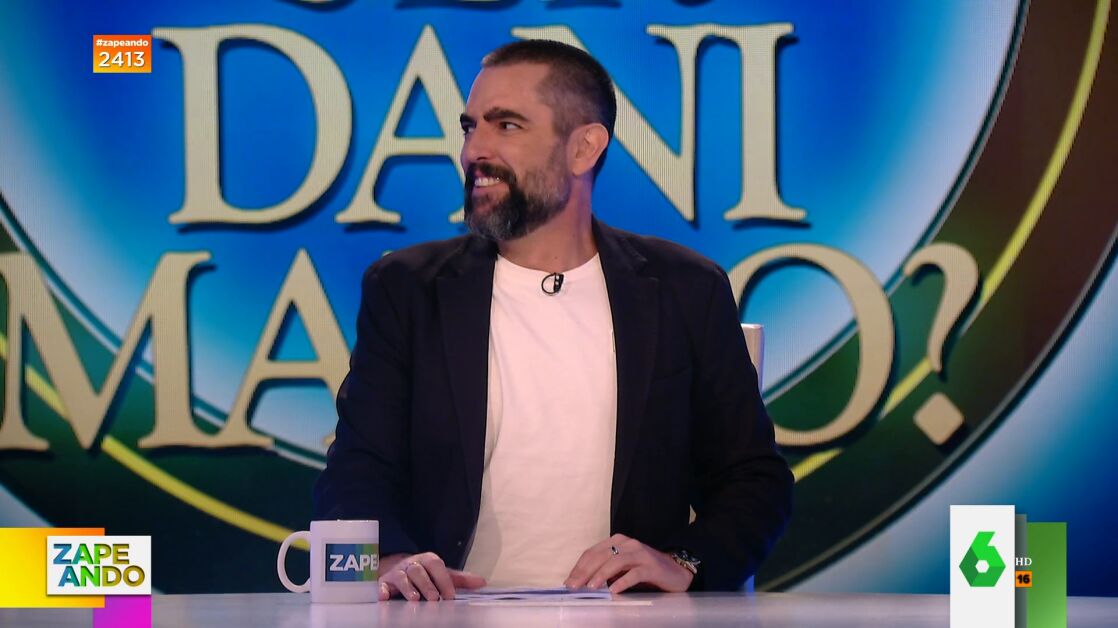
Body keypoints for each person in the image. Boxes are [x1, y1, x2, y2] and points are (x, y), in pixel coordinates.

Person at [314, 39, 793, 601]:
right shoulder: (406, 289)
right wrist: (390, 559)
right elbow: (357, 469)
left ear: (584, 148)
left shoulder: (684, 289)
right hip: (446, 613)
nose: (474, 151)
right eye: (470, 128)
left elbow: (754, 481)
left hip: (627, 616)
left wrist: (683, 561)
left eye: (507, 126)